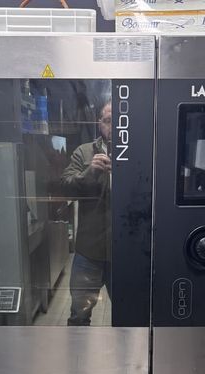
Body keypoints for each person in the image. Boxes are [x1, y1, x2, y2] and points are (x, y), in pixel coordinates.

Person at [61, 101, 112, 326]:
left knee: (131, 316)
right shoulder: (84, 152)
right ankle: (78, 351)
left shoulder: (138, 151)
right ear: (99, 123)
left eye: (119, 121)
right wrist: (90, 172)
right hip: (89, 251)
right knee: (79, 317)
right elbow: (66, 188)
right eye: (108, 121)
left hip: (126, 253)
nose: (113, 126)